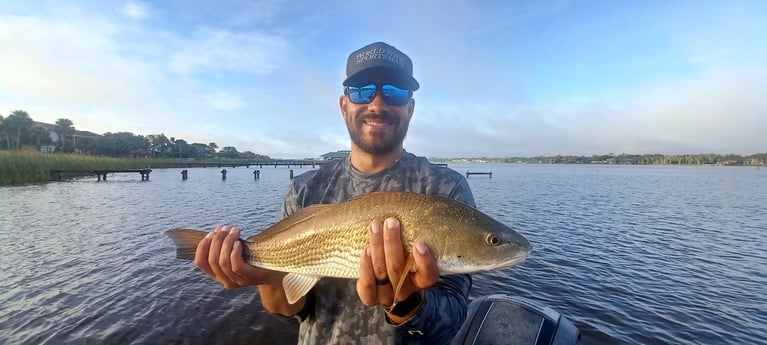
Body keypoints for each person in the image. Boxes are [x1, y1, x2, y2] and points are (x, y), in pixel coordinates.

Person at [194, 42, 476, 344]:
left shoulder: (446, 189)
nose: (377, 104)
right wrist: (262, 272)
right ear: (344, 105)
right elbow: (287, 307)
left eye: (394, 92)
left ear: (410, 107)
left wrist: (406, 301)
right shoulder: (305, 189)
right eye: (362, 91)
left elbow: (453, 319)